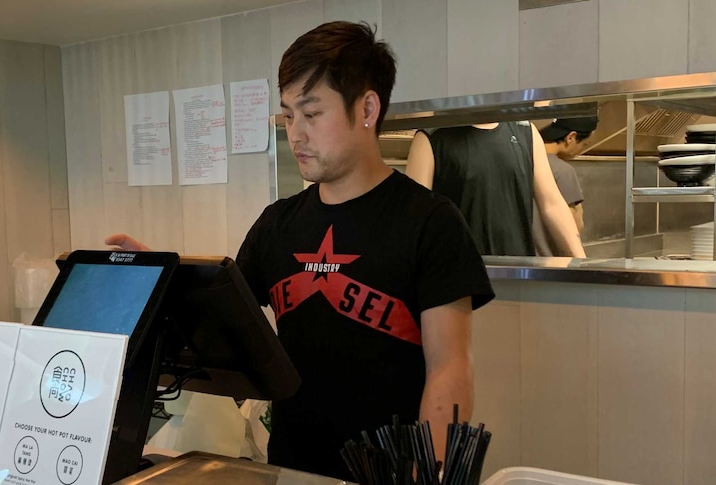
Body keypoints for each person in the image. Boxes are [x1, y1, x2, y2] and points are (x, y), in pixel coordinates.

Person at [107, 21, 494, 481]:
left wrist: (430, 475)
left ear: (367, 108)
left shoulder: (431, 221)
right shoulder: (277, 223)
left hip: (389, 473)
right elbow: (224, 318)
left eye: (312, 114)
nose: (296, 134)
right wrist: (160, 276)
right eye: (289, 115)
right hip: (291, 469)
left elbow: (450, 367)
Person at [405, 121, 587, 258]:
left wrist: (581, 262)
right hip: (458, 277)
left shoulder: (525, 131)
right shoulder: (432, 136)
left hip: (519, 272)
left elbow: (552, 203)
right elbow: (415, 218)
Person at [532, 117, 598, 256]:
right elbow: (574, 225)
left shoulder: (522, 161)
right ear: (571, 137)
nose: (581, 150)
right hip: (553, 263)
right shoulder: (563, 171)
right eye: (585, 144)